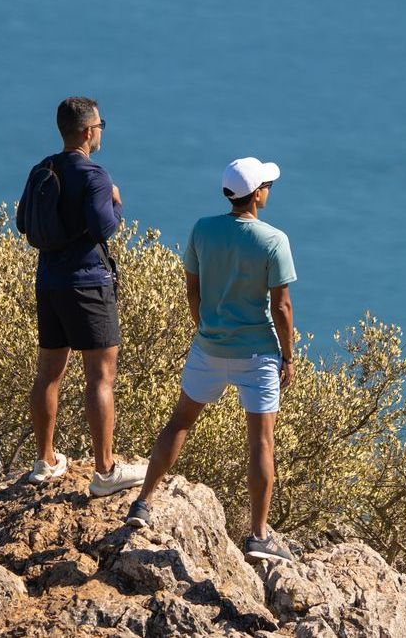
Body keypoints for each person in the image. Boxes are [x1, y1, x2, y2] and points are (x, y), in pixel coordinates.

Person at [124, 156, 298, 564]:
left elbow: (192, 290)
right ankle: (258, 535)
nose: (270, 190)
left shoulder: (202, 230)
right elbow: (282, 307)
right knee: (261, 442)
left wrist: (207, 329)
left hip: (208, 348)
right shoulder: (274, 240)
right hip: (257, 353)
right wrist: (288, 357)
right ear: (256, 194)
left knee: (180, 421)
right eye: (267, 185)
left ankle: (143, 504)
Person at [19, 96, 143, 496]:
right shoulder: (95, 176)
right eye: (100, 126)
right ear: (89, 131)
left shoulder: (42, 169)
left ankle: (45, 460)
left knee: (48, 374)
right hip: (88, 285)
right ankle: (105, 472)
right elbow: (106, 228)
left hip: (49, 283)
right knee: (100, 378)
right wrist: (116, 201)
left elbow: (23, 221)